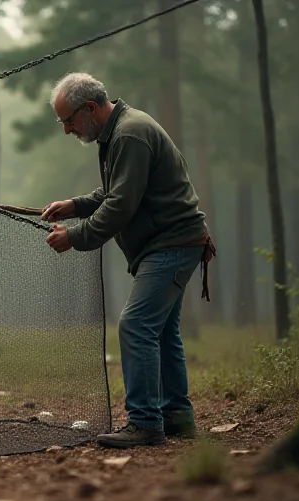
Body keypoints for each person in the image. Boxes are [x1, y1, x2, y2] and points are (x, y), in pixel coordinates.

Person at [40, 72, 216, 449]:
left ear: (89, 108)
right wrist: (76, 205)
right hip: (171, 243)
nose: (67, 130)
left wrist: (75, 236)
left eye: (68, 121)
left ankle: (145, 423)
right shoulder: (122, 130)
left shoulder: (129, 134)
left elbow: (120, 205)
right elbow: (116, 190)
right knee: (161, 331)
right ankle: (177, 417)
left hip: (171, 243)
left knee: (135, 325)